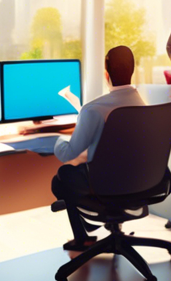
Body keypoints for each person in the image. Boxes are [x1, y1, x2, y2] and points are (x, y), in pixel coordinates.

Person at [51, 46, 145, 250]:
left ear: (106, 74)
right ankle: (99, 227)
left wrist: (54, 139)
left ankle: (83, 235)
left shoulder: (94, 109)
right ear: (132, 70)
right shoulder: (142, 104)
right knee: (78, 170)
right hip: (140, 181)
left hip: (104, 184)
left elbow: (68, 153)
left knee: (61, 178)